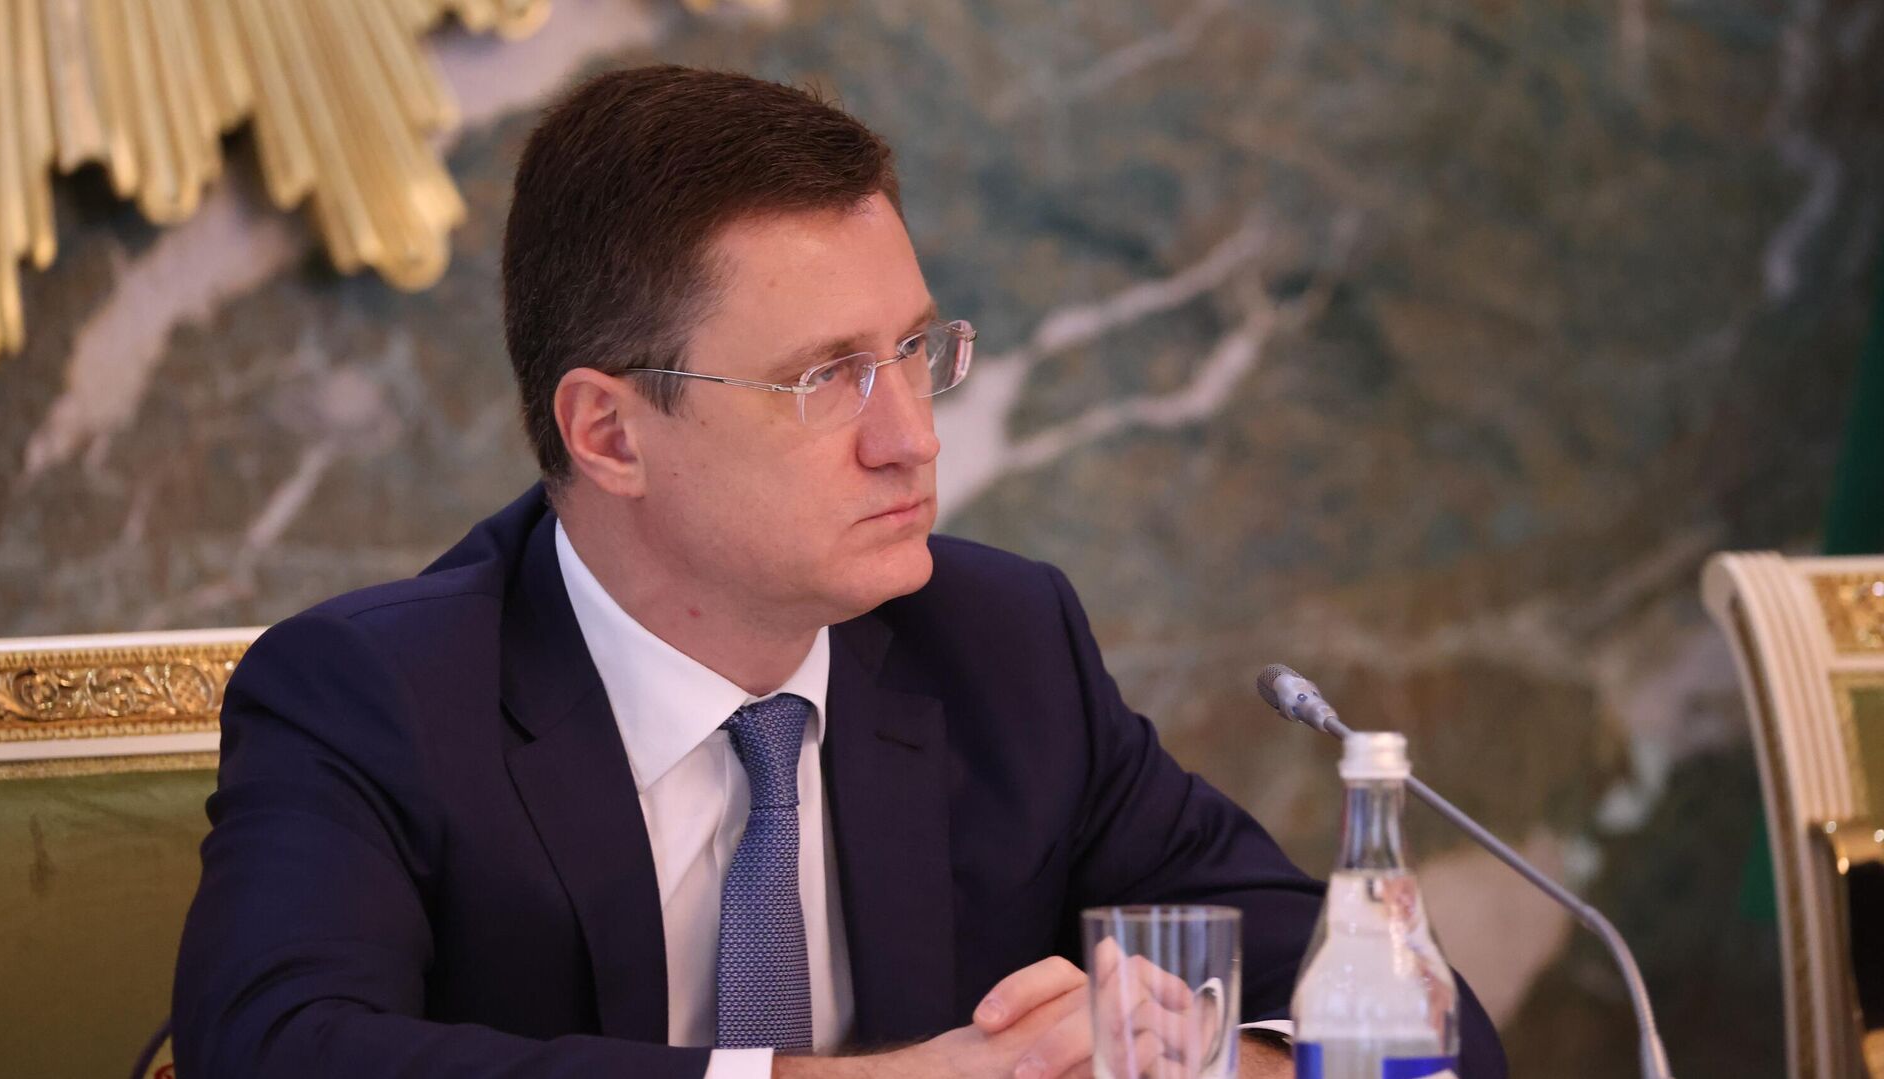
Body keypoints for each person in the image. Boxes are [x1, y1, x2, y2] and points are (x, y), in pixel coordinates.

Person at [172, 65, 1508, 1079]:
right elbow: (274, 1053)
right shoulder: (374, 697)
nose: (912, 437)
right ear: (610, 433)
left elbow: (1421, 1027)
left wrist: (1209, 1063)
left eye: (914, 352)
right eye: (826, 378)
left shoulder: (1001, 648)